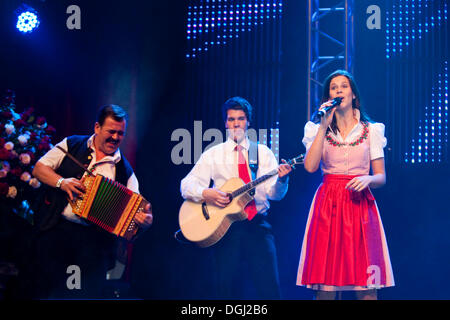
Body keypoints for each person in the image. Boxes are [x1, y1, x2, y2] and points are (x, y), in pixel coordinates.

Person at [28, 104, 153, 299]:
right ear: (97, 127)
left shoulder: (125, 172)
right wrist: (62, 182)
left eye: (120, 133)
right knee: (47, 292)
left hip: (94, 245)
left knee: (85, 295)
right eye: (111, 131)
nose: (115, 137)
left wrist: (144, 222)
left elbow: (137, 212)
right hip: (55, 232)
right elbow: (39, 168)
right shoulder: (71, 144)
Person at [180, 96, 292, 299]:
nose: (236, 124)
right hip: (226, 229)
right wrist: (208, 193)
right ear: (225, 123)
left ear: (248, 121)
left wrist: (282, 180)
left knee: (270, 289)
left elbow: (274, 195)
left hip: (258, 226)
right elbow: (186, 186)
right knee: (225, 290)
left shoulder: (263, 152)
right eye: (231, 119)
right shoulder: (212, 154)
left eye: (241, 119)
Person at [296, 70, 394, 300]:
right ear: (328, 97)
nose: (339, 90)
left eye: (344, 86)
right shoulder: (316, 129)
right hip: (328, 204)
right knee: (326, 288)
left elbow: (381, 176)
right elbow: (310, 167)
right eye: (333, 87)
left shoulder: (371, 130)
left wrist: (368, 179)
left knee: (367, 286)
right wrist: (323, 126)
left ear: (353, 95)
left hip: (360, 206)